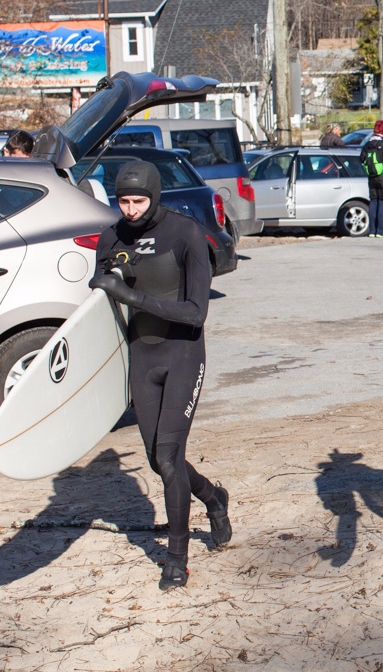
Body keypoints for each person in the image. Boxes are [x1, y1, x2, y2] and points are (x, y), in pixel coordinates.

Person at [88, 160, 232, 590]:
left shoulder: (185, 233)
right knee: (157, 460)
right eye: (123, 201)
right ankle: (213, 497)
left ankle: (176, 558)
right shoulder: (111, 238)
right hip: (143, 355)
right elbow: (100, 307)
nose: (131, 209)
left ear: (154, 196)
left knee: (168, 457)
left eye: (139, 200)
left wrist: (132, 296)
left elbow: (196, 313)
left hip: (183, 353)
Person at [360, 120, 383, 237]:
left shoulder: (368, 144)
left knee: (374, 202)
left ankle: (373, 230)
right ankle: (382, 231)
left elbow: (361, 159)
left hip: (372, 178)